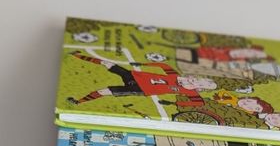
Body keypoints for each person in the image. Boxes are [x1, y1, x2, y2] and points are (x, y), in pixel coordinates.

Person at [66, 52, 217, 105]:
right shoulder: (176, 76)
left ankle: (78, 102)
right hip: (134, 76)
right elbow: (163, 65)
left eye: (200, 83)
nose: (194, 80)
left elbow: (198, 103)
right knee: (107, 63)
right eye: (198, 79)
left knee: (103, 91)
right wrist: (142, 64)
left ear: (200, 88)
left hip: (138, 88)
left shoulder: (191, 92)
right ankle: (76, 55)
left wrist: (173, 102)